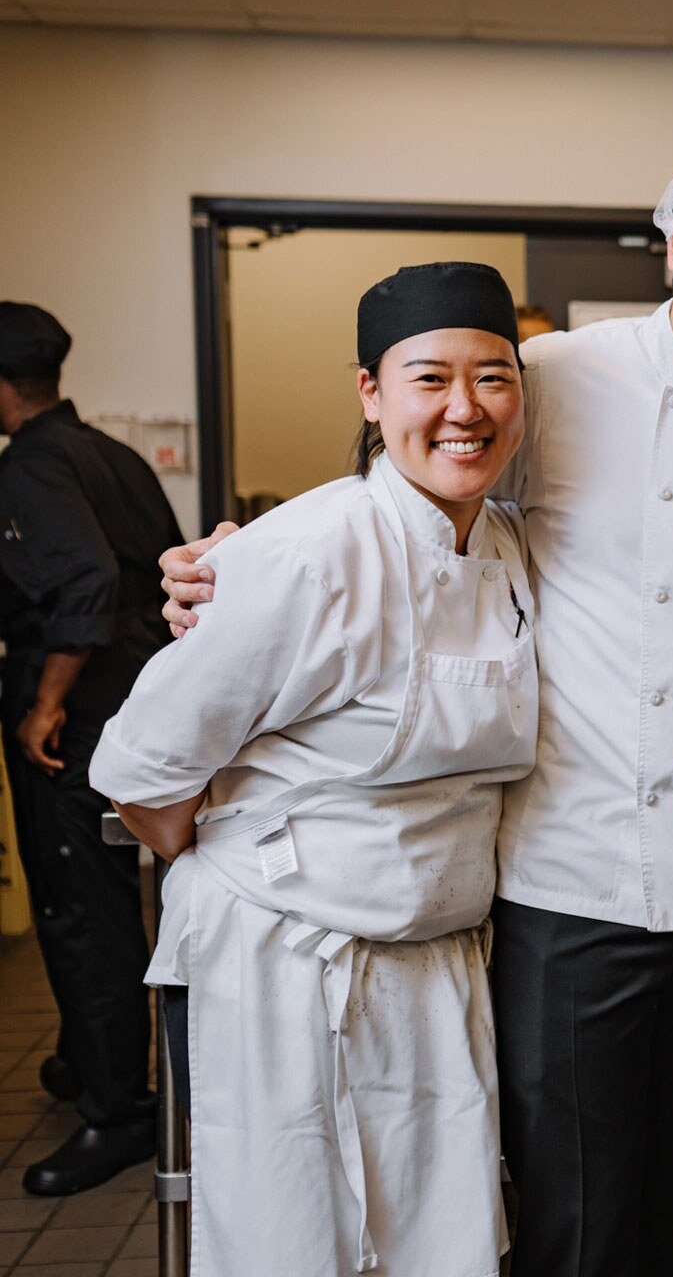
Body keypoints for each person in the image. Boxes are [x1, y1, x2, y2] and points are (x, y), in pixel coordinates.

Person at [161, 126, 673, 1276]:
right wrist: (246, 560)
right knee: (572, 1228)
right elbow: (406, 499)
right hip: (566, 894)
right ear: (671, 242)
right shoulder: (556, 378)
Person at [91, 261, 535, 1275]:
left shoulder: (511, 547)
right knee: (298, 1243)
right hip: (289, 967)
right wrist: (256, 856)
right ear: (371, 394)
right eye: (429, 379)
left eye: (494, 377)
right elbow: (139, 767)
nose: (465, 409)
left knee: (439, 1242)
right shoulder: (307, 549)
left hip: (434, 962)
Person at [0, 302, 180, 1196]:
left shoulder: (30, 464)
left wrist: (44, 704)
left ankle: (119, 1112)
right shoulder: (109, 453)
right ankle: (87, 1061)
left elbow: (86, 582)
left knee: (83, 914)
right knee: (101, 900)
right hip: (136, 705)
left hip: (77, 718)